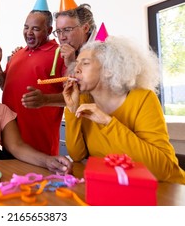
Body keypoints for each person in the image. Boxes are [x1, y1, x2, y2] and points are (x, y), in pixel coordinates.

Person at [63, 36, 185, 184]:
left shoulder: (143, 98)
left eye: (85, 63)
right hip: (122, 187)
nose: (76, 69)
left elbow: (162, 169)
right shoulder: (84, 101)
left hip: (168, 190)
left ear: (108, 70)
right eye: (76, 63)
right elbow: (77, 155)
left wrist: (108, 123)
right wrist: (72, 110)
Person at [0, 0, 66, 155]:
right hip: (9, 142)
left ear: (49, 31)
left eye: (35, 29)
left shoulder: (60, 54)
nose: (29, 32)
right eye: (26, 27)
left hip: (40, 147)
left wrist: (45, 100)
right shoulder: (17, 54)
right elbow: (5, 85)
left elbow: (72, 97)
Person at [53, 0, 96, 69]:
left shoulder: (102, 51)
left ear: (85, 28)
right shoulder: (64, 53)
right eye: (58, 31)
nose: (62, 37)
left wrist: (71, 65)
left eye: (67, 30)